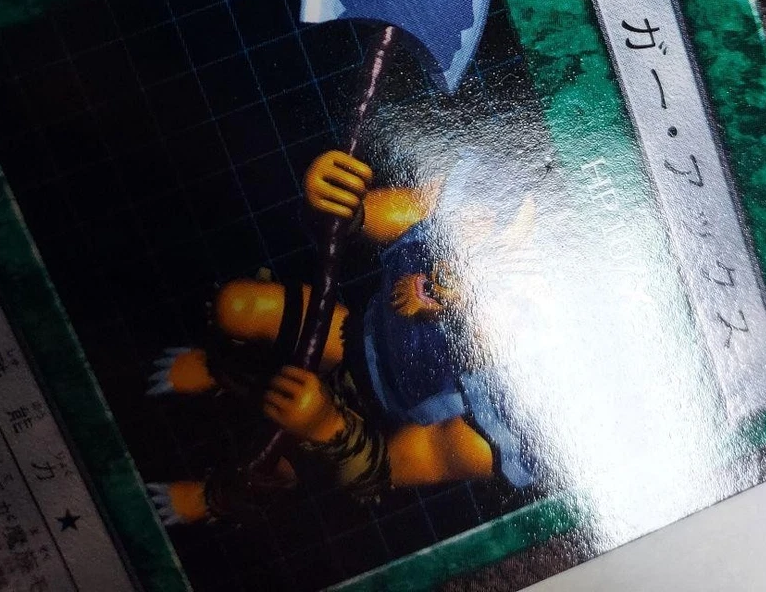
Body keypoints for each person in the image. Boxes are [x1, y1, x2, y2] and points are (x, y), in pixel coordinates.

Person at [148, 147, 537, 526]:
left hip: (369, 418)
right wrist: (341, 203)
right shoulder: (492, 201)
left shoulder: (520, 419)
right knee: (237, 306)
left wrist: (326, 425)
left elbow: (392, 466)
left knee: (282, 462)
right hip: (353, 336)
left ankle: (215, 496)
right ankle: (226, 371)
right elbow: (394, 212)